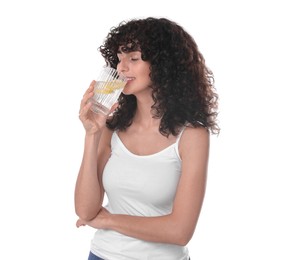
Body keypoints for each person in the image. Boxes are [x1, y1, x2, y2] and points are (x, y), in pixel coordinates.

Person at [75, 17, 220, 260]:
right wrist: (92, 135)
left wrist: (108, 219)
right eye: (119, 59)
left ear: (164, 64)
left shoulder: (192, 136)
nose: (121, 68)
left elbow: (180, 231)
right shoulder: (112, 128)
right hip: (102, 255)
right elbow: (85, 209)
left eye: (133, 58)